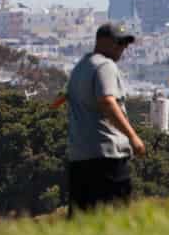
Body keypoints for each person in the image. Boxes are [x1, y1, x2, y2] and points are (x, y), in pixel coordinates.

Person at [61, 21, 148, 215]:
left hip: (79, 156)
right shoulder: (104, 66)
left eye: (125, 44)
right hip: (108, 154)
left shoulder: (80, 67)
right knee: (115, 215)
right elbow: (107, 101)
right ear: (101, 41)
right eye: (118, 43)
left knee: (81, 218)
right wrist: (133, 136)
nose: (122, 48)